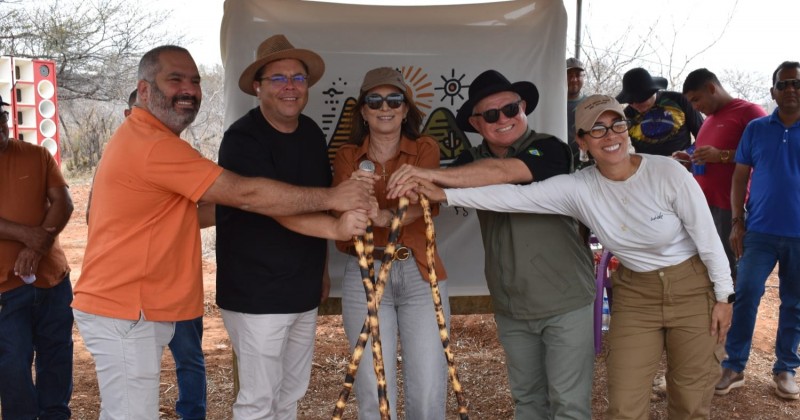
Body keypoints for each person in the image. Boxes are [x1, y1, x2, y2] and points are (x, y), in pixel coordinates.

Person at [72, 45, 374, 419]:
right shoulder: (156, 145)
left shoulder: (155, 141)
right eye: (175, 79)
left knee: (283, 395)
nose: (189, 88)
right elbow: (246, 196)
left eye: (195, 81)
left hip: (143, 305)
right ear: (145, 91)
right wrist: (334, 204)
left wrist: (321, 218)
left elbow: (212, 208)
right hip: (127, 306)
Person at [393, 94, 735, 419]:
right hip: (635, 291)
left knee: (690, 401)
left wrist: (724, 296)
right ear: (583, 142)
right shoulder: (579, 187)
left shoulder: (667, 173)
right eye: (597, 129)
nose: (609, 136)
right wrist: (444, 194)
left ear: (627, 129)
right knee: (625, 404)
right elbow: (512, 197)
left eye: (616, 125)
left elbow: (708, 238)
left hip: (691, 286)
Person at [388, 69, 596, 419]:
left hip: (566, 300)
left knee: (569, 406)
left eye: (511, 109)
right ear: (475, 122)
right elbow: (437, 192)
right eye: (491, 114)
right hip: (512, 303)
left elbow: (505, 174)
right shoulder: (468, 164)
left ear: (524, 107)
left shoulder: (551, 149)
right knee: (528, 402)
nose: (503, 119)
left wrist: (431, 178)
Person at [212, 34, 365, 419]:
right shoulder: (242, 138)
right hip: (256, 291)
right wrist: (336, 223)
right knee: (259, 398)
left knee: (291, 392)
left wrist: (322, 268)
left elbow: (318, 195)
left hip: (302, 285)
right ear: (258, 86)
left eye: (298, 78)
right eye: (278, 78)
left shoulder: (312, 132)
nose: (290, 87)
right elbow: (269, 203)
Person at [332, 67, 451, 419]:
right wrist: (365, 203)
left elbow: (428, 202)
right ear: (364, 111)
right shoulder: (346, 155)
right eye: (376, 101)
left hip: (419, 270)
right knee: (372, 390)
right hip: (364, 270)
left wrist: (382, 215)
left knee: (428, 390)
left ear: (405, 109)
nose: (386, 107)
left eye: (394, 100)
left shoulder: (425, 148)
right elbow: (345, 205)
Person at [716, 61, 800, 400]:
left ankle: (785, 369)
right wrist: (737, 221)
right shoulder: (756, 129)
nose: (791, 89)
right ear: (773, 92)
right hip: (759, 231)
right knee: (747, 292)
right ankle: (734, 365)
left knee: (794, 303)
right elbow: (739, 176)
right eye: (784, 84)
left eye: (797, 83)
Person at [0, 95, 75, 418]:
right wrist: (26, 233)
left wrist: (37, 246)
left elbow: (64, 202)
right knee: (13, 364)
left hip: (52, 279)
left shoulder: (35, 155)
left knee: (57, 356)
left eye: (0, 116)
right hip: (5, 288)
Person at [679, 68, 767, 284]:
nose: (695, 107)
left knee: (733, 271)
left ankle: (735, 314)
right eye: (691, 103)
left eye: (696, 99)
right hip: (704, 205)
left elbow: (767, 155)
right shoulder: (708, 120)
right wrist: (690, 159)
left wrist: (722, 155)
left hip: (731, 207)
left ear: (712, 88)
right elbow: (707, 158)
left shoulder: (749, 112)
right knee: (712, 267)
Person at [617, 67, 704, 156]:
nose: (635, 105)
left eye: (640, 100)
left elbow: (703, 134)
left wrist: (688, 154)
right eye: (630, 101)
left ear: (652, 92)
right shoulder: (627, 114)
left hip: (681, 163)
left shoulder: (679, 101)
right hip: (647, 166)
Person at [567, 57, 588, 168]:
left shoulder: (590, 104)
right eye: (569, 75)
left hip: (584, 165)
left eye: (578, 75)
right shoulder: (553, 104)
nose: (574, 79)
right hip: (557, 163)